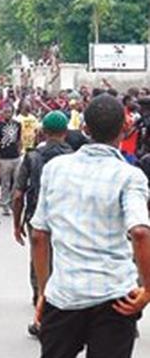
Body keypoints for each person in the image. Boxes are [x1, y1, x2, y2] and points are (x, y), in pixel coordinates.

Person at [31, 95, 150, 358]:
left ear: (85, 128)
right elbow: (140, 231)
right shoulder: (130, 176)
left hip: (64, 294)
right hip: (115, 297)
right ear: (124, 128)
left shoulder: (55, 169)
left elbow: (39, 235)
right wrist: (148, 288)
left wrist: (43, 291)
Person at [12, 110, 72, 336]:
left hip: (37, 217)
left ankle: (40, 304)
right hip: (66, 219)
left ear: (42, 132)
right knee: (62, 260)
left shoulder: (32, 157)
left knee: (38, 261)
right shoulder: (74, 157)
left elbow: (18, 195)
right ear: (66, 132)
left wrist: (16, 224)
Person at [0, 105, 22, 217]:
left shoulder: (17, 125)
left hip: (16, 157)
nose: (7, 114)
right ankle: (5, 204)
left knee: (17, 181)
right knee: (5, 182)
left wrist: (20, 152)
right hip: (4, 158)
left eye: (9, 111)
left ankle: (13, 202)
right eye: (5, 112)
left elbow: (18, 140)